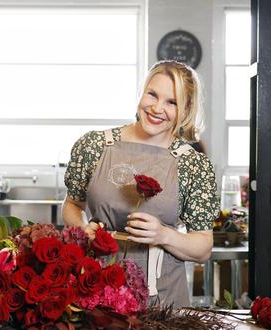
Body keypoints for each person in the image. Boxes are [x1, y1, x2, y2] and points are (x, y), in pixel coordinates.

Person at [62, 60, 218, 308]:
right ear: (142, 92)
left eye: (172, 102)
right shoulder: (94, 146)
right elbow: (72, 204)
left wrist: (164, 235)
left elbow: (203, 247)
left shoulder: (193, 164)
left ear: (185, 109)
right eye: (152, 94)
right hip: (93, 290)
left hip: (162, 300)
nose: (157, 108)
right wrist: (82, 228)